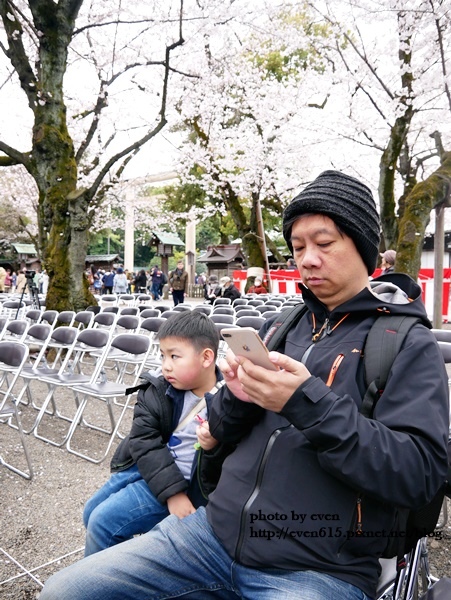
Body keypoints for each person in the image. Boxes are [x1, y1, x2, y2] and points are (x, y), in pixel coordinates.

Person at [39, 170, 449, 600]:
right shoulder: (280, 327)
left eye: (324, 243)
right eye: (298, 247)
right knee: (64, 591)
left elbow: (420, 474)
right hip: (209, 535)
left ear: (364, 248)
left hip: (318, 568)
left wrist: (306, 403)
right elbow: (219, 429)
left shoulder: (405, 343)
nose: (308, 259)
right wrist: (234, 395)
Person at [82, 311, 223, 556]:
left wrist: (178, 493)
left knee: (102, 523)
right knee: (90, 513)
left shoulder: (229, 400)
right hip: (146, 466)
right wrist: (172, 493)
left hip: (187, 481)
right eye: (163, 355)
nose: (165, 365)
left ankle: (108, 583)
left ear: (206, 357)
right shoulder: (156, 388)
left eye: (174, 356)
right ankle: (126, 562)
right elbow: (143, 440)